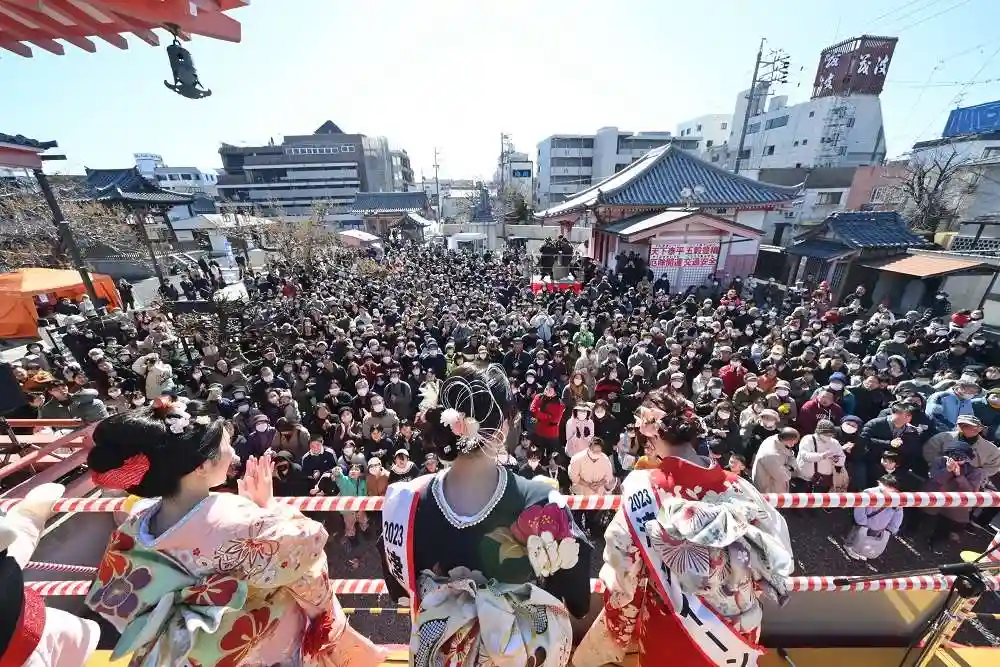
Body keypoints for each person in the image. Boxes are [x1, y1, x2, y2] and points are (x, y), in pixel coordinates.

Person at [85, 397, 385, 666]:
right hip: (260, 650)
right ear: (202, 465)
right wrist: (268, 508)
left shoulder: (134, 525)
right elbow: (310, 551)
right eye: (226, 444)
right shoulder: (240, 520)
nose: (233, 453)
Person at [379, 364, 590, 665]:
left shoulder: (407, 503)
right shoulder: (543, 503)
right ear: (502, 429)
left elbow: (400, 590)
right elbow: (578, 600)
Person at [576, 388, 793, 667]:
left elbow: (622, 571)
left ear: (653, 434)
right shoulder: (739, 486)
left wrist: (620, 619)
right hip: (737, 626)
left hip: (674, 626)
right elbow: (777, 556)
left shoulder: (643, 488)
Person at [844, 474, 905, 561]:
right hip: (865, 523)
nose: (889, 489)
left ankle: (860, 551)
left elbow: (898, 514)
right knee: (855, 535)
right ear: (880, 483)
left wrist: (892, 528)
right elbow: (860, 507)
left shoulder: (897, 498)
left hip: (881, 527)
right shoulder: (869, 492)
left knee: (869, 540)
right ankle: (848, 546)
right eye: (887, 485)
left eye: (892, 487)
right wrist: (862, 521)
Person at [752, 427, 801, 494]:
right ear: (790, 441)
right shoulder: (771, 454)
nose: (793, 445)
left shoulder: (776, 439)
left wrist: (789, 466)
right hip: (769, 489)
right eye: (793, 443)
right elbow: (782, 476)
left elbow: (791, 455)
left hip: (776, 484)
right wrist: (790, 468)